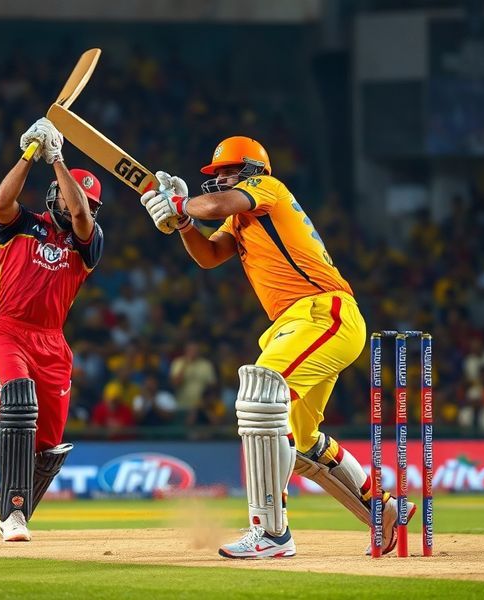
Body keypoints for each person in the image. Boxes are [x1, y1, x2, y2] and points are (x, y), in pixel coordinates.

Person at [140, 136, 406, 558]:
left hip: (322, 312)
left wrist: (182, 206)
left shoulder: (269, 189)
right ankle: (383, 510)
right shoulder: (241, 220)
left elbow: (214, 205)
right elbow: (209, 256)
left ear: (252, 170)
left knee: (260, 396)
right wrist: (184, 225)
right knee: (300, 442)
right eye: (217, 174)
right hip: (302, 322)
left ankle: (271, 534)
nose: (221, 179)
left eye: (228, 171)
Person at [0, 117, 103, 542]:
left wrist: (58, 158)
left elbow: (81, 213)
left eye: (88, 204)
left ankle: (12, 495)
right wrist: (30, 153)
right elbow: (0, 200)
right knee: (17, 400)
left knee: (47, 448)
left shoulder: (88, 239)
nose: (79, 206)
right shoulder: (21, 224)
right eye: (69, 198)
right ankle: (14, 512)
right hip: (5, 330)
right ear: (54, 198)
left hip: (51, 342)